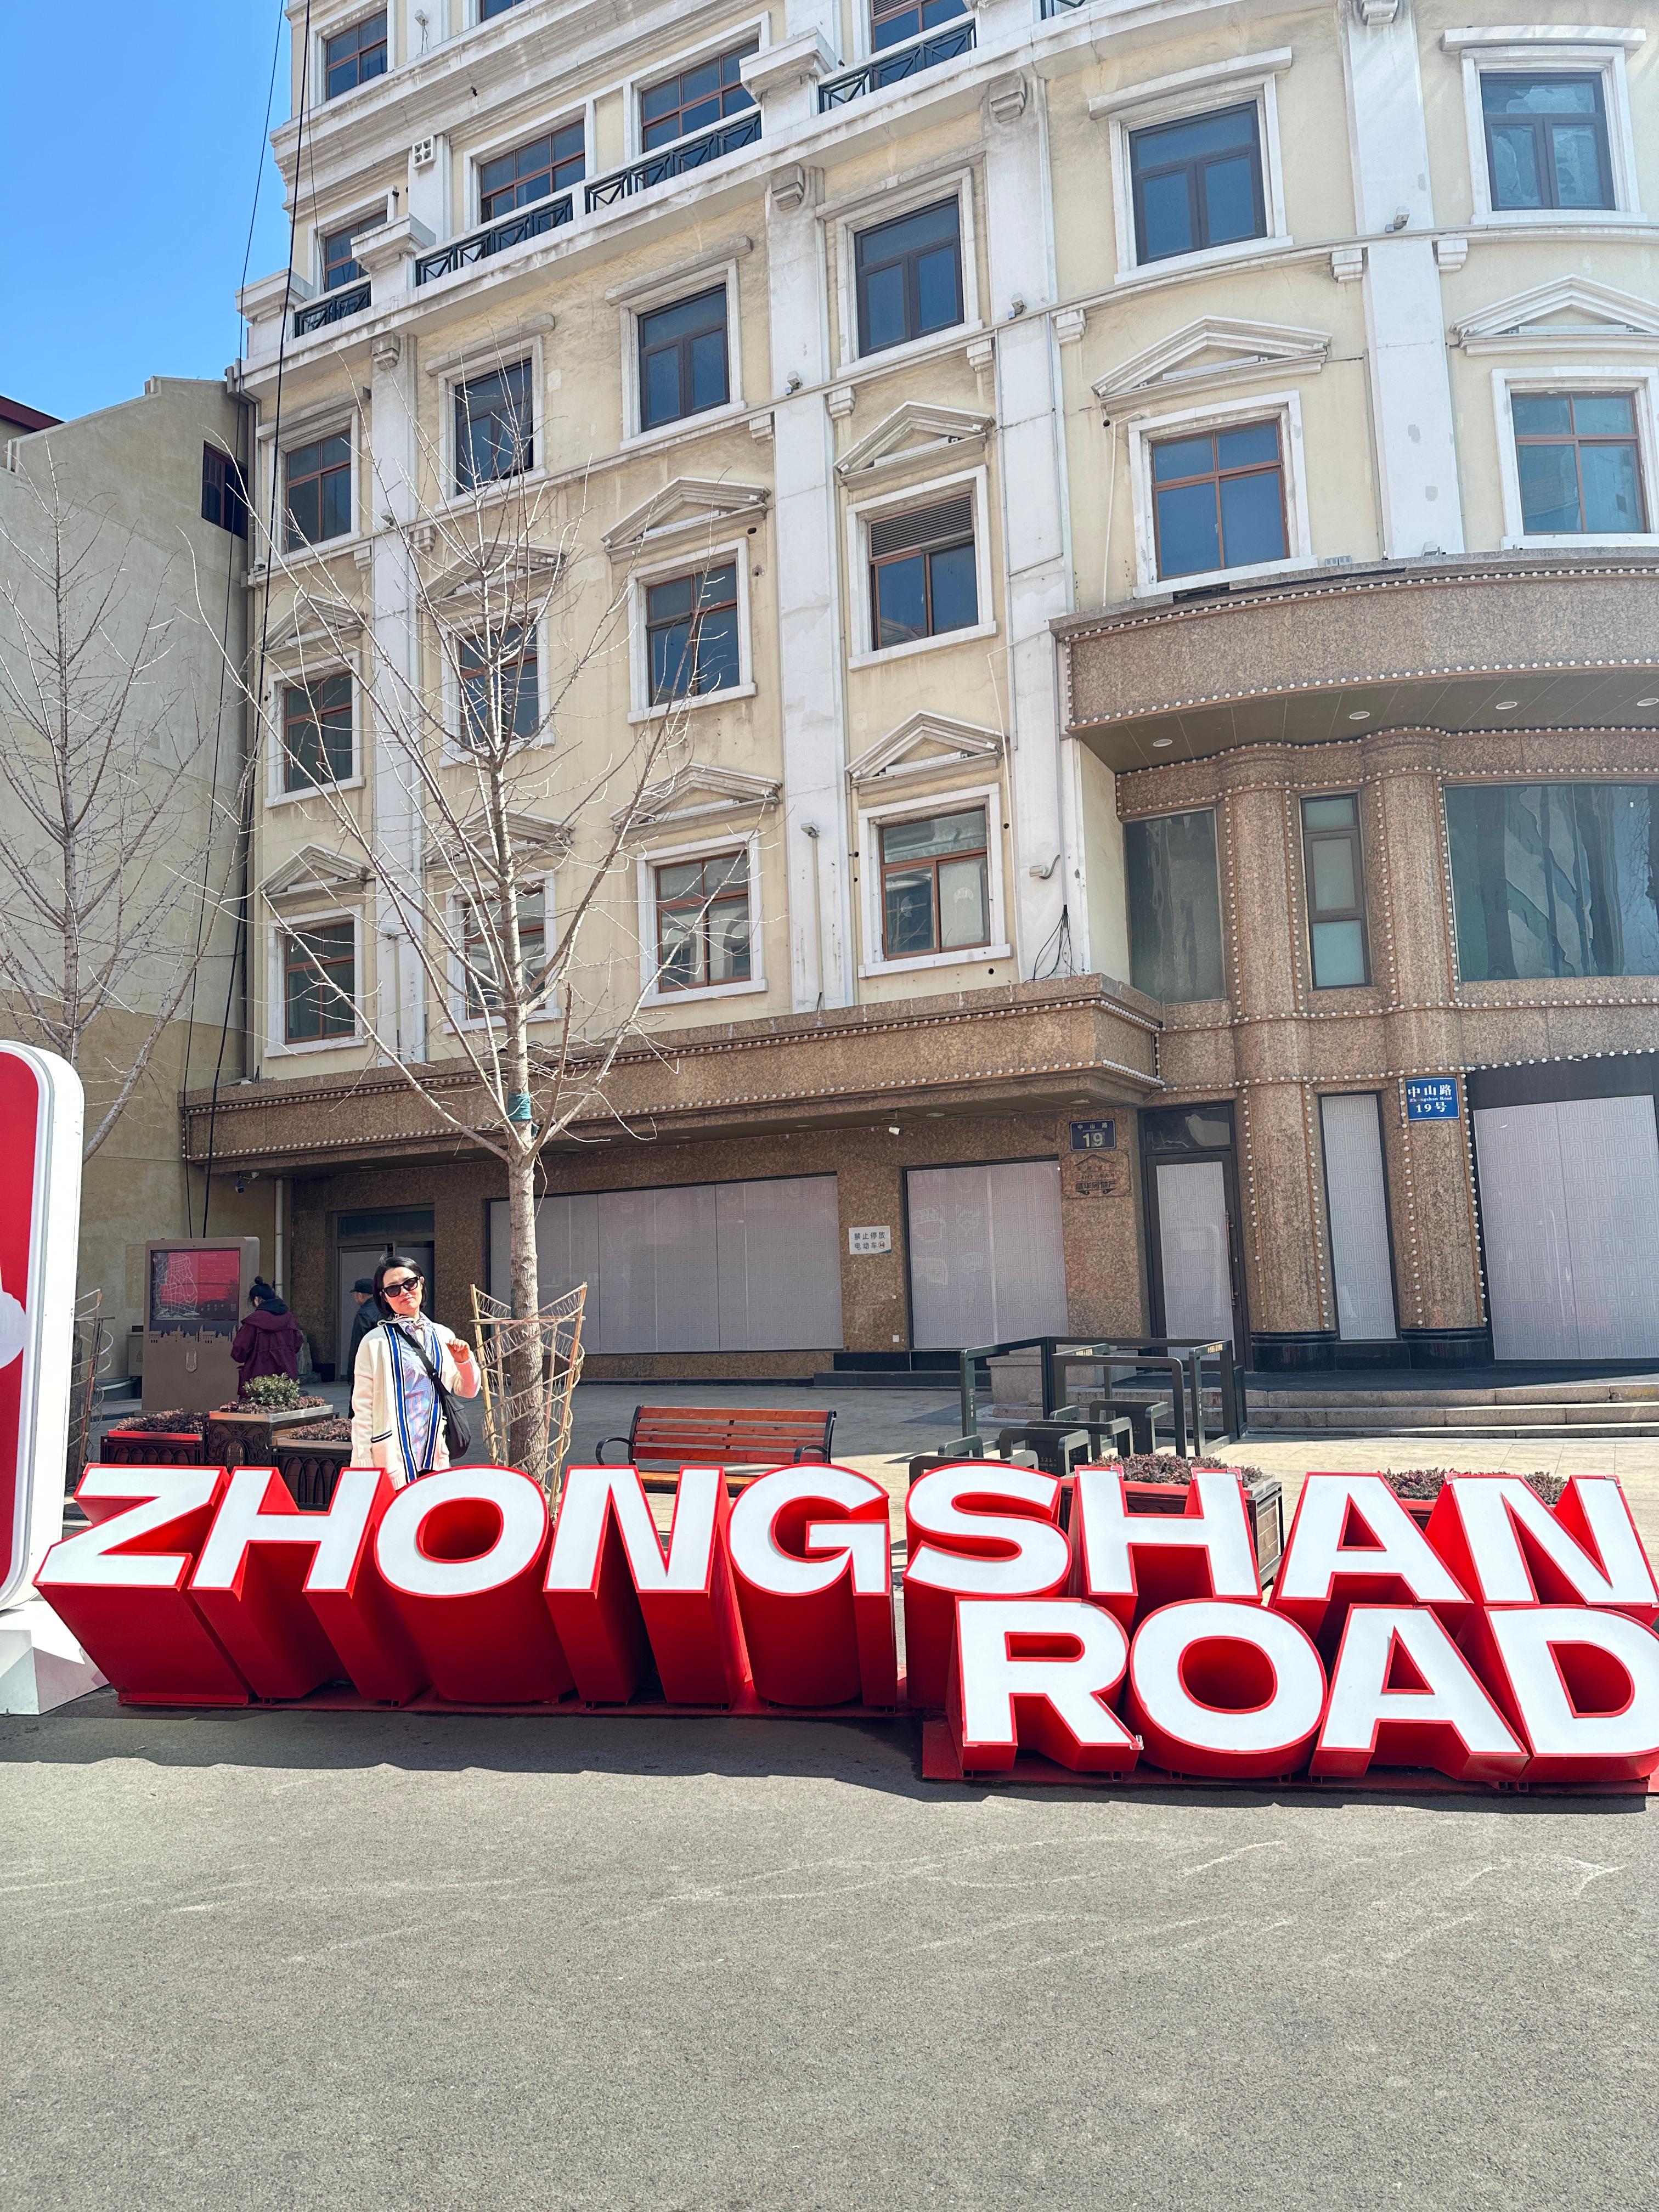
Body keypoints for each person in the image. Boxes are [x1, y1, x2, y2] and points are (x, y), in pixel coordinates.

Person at [349, 1254, 480, 1487]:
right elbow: (363, 1409)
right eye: (393, 1289)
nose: (404, 1292)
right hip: (393, 1458)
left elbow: (469, 1391)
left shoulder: (443, 1335)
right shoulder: (375, 1342)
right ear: (384, 1297)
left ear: (421, 1283)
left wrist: (464, 1362)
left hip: (434, 1452)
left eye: (409, 1283)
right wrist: (362, 1463)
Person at [229, 1279, 303, 1393]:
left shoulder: (253, 1323)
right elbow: (297, 1345)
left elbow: (239, 1353)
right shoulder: (290, 1319)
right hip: (287, 1378)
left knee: (257, 1404)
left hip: (258, 1380)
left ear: (257, 1300)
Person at [346, 1277, 380, 1376]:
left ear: (359, 1296)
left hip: (368, 1366)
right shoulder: (386, 1309)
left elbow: (357, 1343)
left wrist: (352, 1374)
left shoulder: (364, 1313)